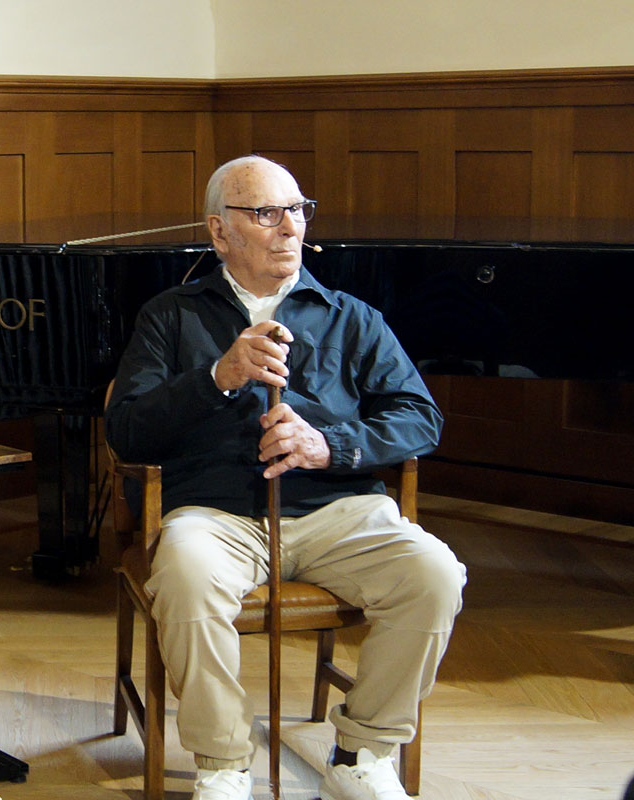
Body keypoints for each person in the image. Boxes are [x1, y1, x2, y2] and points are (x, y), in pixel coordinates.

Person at [105, 155, 466, 800]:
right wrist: (217, 376)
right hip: (217, 516)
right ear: (220, 231)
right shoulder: (170, 315)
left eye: (297, 210)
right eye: (267, 213)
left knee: (434, 575)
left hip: (338, 513)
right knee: (185, 575)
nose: (290, 226)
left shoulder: (352, 317)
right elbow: (128, 429)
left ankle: (361, 754)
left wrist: (330, 445)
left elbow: (420, 418)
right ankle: (223, 765)